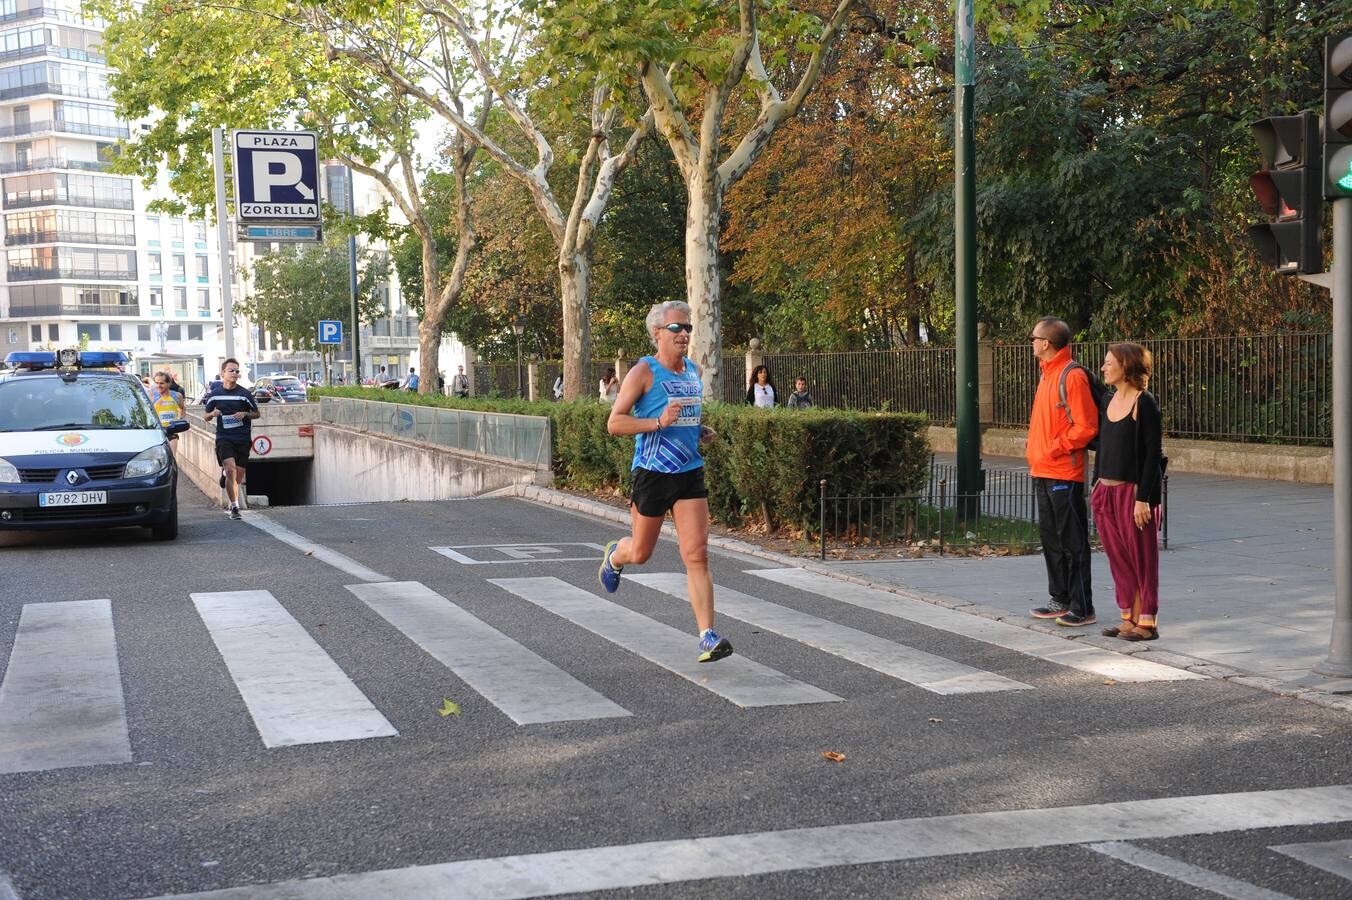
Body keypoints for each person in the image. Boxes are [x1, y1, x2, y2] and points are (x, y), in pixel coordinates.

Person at [598, 300, 731, 663]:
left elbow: (683, 418)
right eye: (677, 329)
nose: (684, 334)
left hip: (689, 472)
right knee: (641, 553)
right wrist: (658, 422)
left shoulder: (693, 371)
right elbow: (615, 423)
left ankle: (707, 635)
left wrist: (697, 429)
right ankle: (615, 556)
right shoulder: (644, 372)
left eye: (687, 328)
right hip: (653, 474)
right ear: (657, 333)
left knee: (697, 555)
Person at [1027, 317, 1098, 626]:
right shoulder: (1047, 374)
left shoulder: (1072, 376)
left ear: (1046, 343)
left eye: (1034, 337)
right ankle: (1060, 598)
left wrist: (1054, 447)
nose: (1031, 341)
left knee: (1073, 542)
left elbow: (1087, 427)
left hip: (1063, 474)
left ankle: (1083, 607)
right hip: (1042, 470)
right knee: (1051, 540)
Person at [1091, 343, 1164, 641]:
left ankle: (1147, 623)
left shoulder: (1144, 402)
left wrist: (1143, 499)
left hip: (1133, 495)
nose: (1104, 368)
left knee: (1142, 558)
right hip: (1105, 494)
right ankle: (1128, 617)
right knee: (1118, 557)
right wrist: (1096, 485)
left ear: (1127, 366)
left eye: (1110, 363)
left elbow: (1152, 456)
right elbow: (1103, 447)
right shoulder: (1107, 399)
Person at [202, 358, 260, 521]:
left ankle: (226, 477)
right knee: (231, 470)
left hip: (242, 438)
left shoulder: (244, 394)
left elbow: (257, 413)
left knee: (237, 478)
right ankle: (234, 507)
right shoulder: (214, 395)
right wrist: (212, 414)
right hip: (224, 437)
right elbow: (205, 416)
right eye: (231, 370)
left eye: (237, 371)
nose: (235, 373)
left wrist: (245, 414)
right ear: (223, 373)